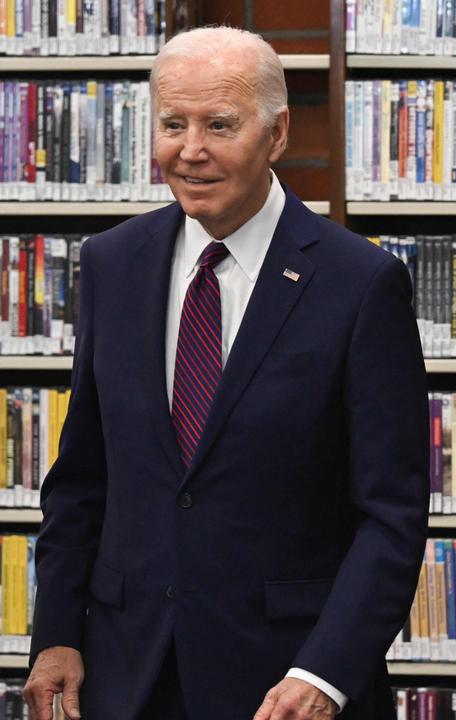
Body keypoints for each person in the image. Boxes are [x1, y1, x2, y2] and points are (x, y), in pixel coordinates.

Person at [21, 26, 429, 720]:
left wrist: (326, 674)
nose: (191, 150)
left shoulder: (359, 283)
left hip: (284, 682)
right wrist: (56, 634)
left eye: (219, 124)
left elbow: (390, 514)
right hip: (126, 673)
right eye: (173, 124)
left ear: (277, 134)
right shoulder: (113, 264)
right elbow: (83, 476)